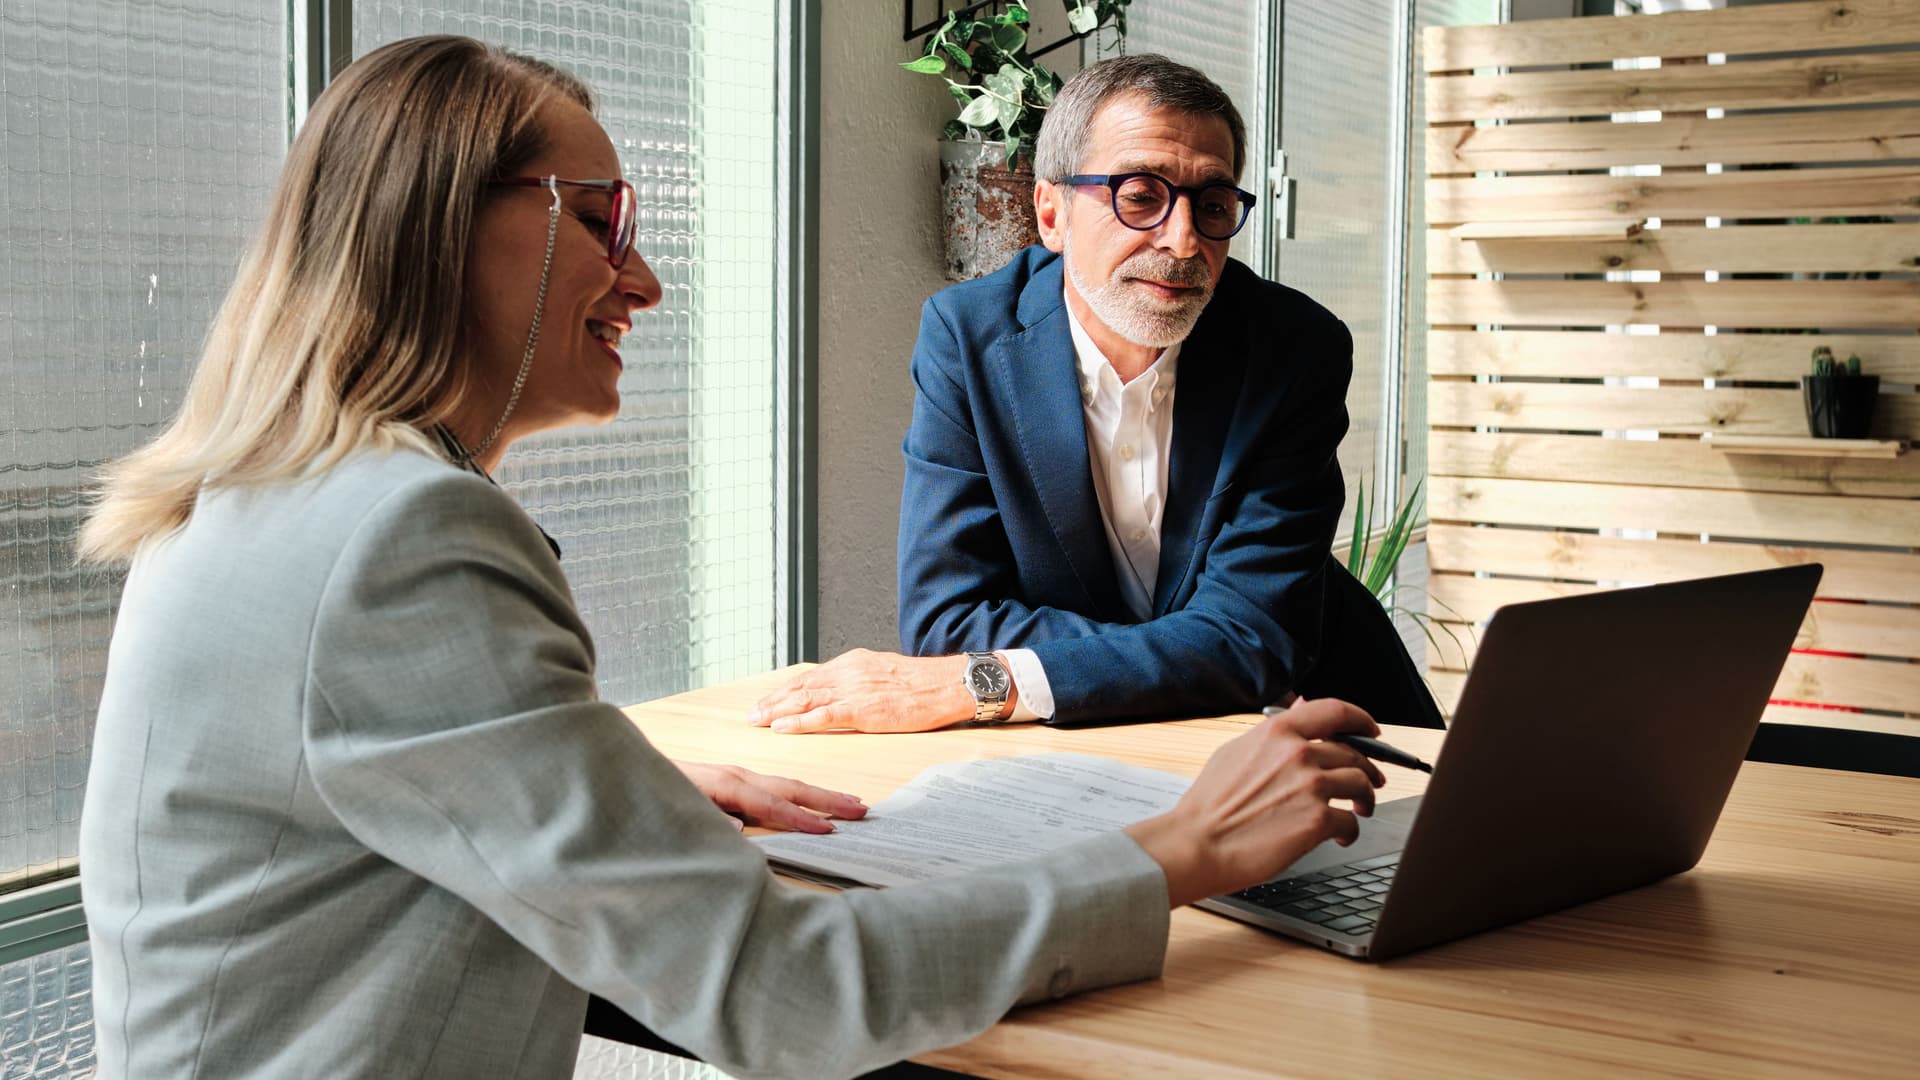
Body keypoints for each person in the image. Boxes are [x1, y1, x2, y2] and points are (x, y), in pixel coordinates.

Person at [76, 36, 1385, 1080]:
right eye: (602, 220)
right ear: (437, 227)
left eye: (1215, 200)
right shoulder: (404, 536)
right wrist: (1180, 852)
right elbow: (785, 993)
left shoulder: (264, 496)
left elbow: (337, 774)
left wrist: (592, 781)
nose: (642, 282)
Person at [750, 55, 1352, 734]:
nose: (1184, 240)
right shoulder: (969, 340)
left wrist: (999, 678)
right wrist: (1178, 653)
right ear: (1050, 213)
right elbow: (947, 619)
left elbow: (1252, 637)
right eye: (1140, 195)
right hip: (1069, 751)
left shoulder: (1295, 350)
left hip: (1297, 728)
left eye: (1212, 204)